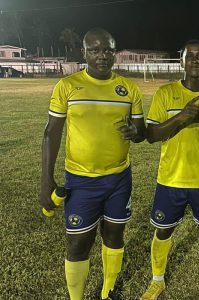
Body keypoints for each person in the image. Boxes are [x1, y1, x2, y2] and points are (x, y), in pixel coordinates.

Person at [40, 28, 146, 300]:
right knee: (78, 243)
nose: (102, 56)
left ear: (115, 52)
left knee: (114, 235)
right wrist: (46, 179)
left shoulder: (128, 88)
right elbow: (52, 132)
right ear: (84, 53)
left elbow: (140, 131)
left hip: (119, 178)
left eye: (108, 50)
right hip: (81, 180)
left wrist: (137, 133)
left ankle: (108, 291)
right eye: (95, 50)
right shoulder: (68, 86)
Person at [141, 39, 199, 300]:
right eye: (189, 56)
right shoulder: (165, 94)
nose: (195, 60)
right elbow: (151, 135)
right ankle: (157, 281)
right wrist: (181, 117)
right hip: (171, 180)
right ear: (181, 61)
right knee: (163, 230)